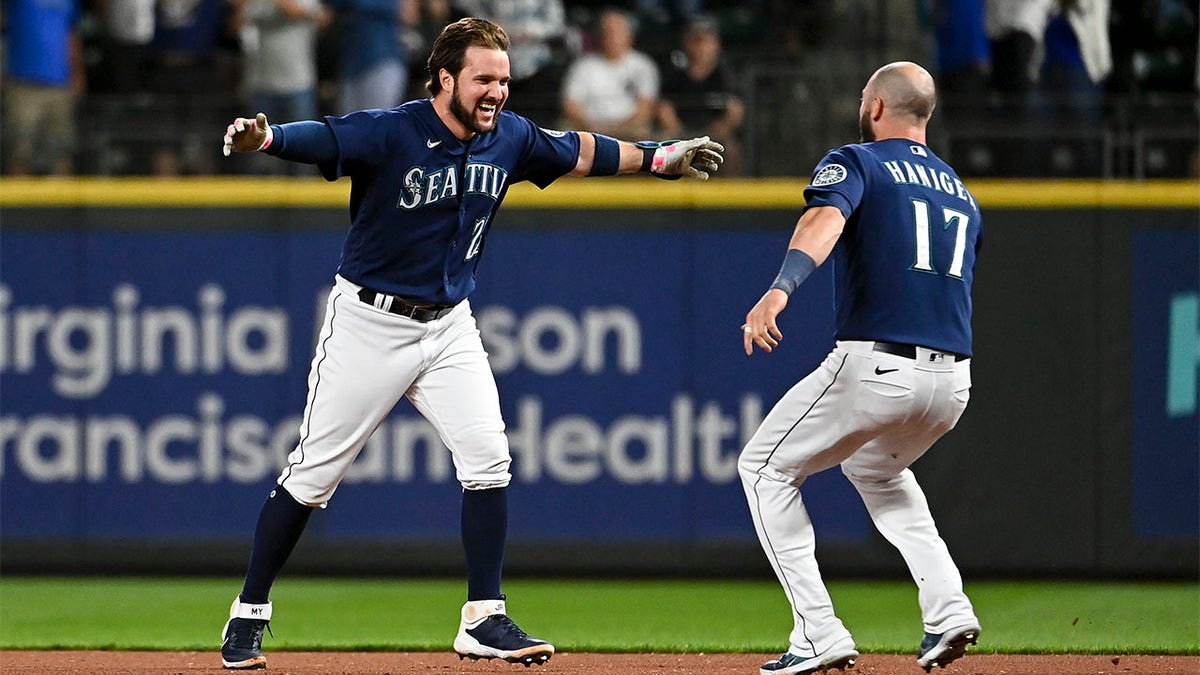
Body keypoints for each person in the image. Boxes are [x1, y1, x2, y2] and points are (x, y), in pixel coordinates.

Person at [217, 16, 722, 671]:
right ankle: (249, 611)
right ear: (446, 78)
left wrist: (658, 158)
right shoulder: (395, 129)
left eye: (504, 80)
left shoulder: (509, 136)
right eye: (484, 78)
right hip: (371, 321)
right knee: (312, 476)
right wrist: (269, 137)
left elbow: (581, 150)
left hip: (449, 323)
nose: (497, 91)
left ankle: (484, 616)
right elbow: (324, 137)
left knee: (489, 458)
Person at [737, 61, 982, 675]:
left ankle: (818, 633)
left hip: (878, 365)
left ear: (876, 107)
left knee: (764, 469)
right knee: (876, 471)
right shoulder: (960, 189)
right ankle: (948, 607)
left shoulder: (861, 160)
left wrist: (780, 289)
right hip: (952, 381)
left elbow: (824, 218)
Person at [2, 0, 85, 176]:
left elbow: (71, 33)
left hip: (60, 85)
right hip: (23, 84)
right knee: (21, 150)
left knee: (61, 149)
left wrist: (77, 71)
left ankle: (60, 202)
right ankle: (20, 202)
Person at [657, 14, 744, 175]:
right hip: (681, 133)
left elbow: (735, 111)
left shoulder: (726, 75)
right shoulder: (675, 74)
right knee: (660, 148)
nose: (701, 46)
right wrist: (679, 133)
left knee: (731, 149)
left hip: (715, 134)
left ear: (716, 45)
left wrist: (715, 133)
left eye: (706, 41)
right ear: (686, 43)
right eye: (696, 40)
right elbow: (664, 108)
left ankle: (730, 198)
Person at [559, 7, 660, 137]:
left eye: (617, 31)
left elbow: (646, 107)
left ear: (629, 35)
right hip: (588, 130)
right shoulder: (582, 66)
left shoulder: (643, 65)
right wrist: (593, 128)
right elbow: (569, 104)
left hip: (631, 130)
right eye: (606, 31)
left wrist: (617, 130)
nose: (611, 36)